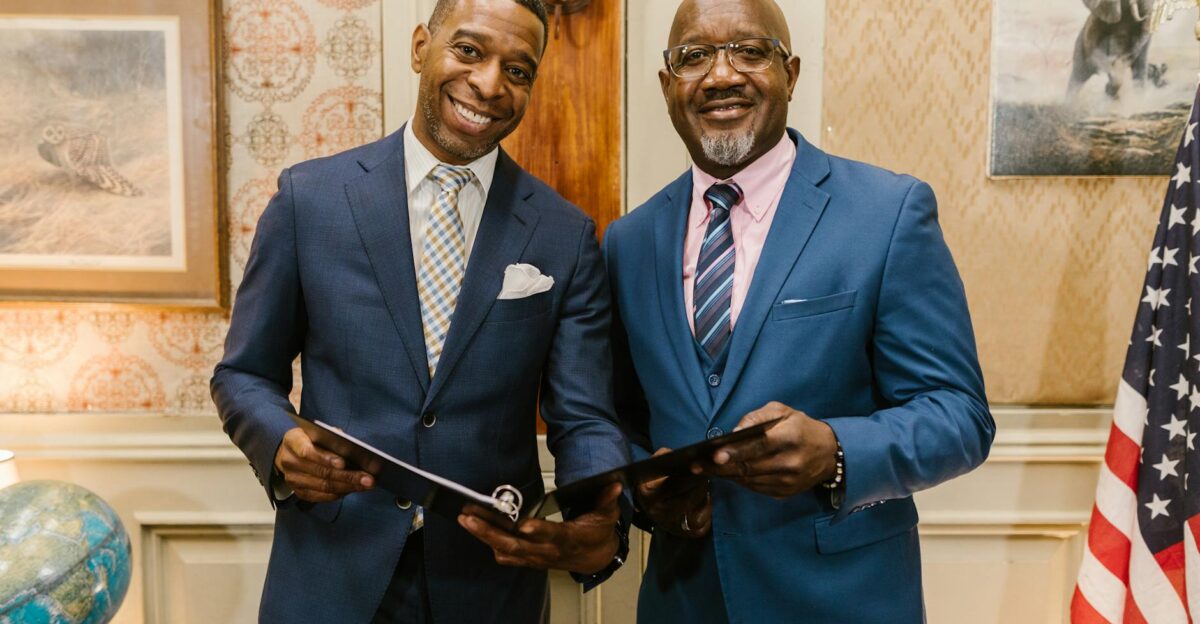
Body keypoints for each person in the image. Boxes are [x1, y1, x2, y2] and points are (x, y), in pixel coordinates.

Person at [210, 1, 630, 621]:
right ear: (419, 48)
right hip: (331, 574)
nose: (489, 84)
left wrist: (601, 517)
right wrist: (279, 443)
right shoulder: (311, 200)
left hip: (489, 587)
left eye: (517, 70)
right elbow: (242, 375)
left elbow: (585, 417)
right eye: (469, 51)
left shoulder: (564, 235)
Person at [603, 0, 995, 621]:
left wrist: (837, 450)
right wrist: (643, 494)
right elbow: (622, 421)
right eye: (693, 56)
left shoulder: (888, 213)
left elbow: (961, 416)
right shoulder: (628, 241)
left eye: (750, 52)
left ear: (792, 72)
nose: (721, 75)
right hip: (685, 600)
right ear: (666, 84)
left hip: (842, 600)